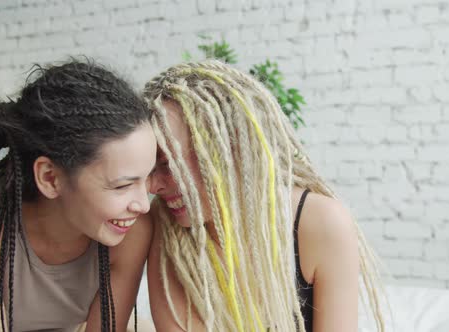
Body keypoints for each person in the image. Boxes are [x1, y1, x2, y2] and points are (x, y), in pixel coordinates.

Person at [142, 60, 385, 331]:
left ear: (229, 148)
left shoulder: (320, 222)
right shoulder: (166, 228)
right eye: (147, 168)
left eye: (167, 164)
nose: (152, 186)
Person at [0, 59, 156, 332]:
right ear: (49, 177)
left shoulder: (132, 229)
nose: (143, 205)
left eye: (146, 177)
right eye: (121, 186)